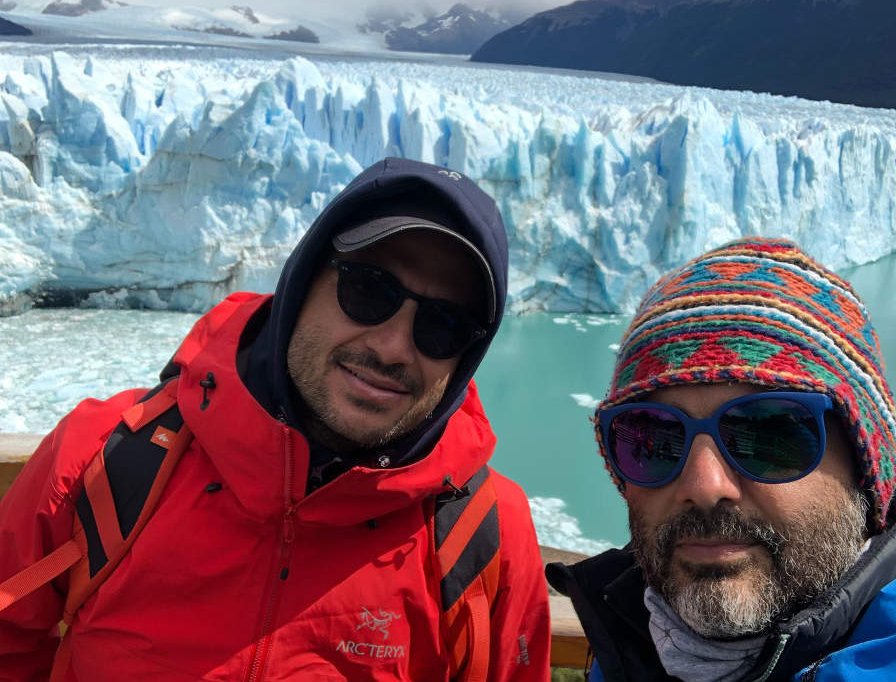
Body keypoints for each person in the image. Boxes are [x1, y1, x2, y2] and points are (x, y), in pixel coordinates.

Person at [0, 157, 551, 681]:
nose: (392, 348)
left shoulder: (484, 537)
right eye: (368, 291)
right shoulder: (106, 457)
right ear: (303, 278)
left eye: (444, 326)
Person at [547, 237, 896, 681]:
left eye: (769, 434)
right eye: (652, 436)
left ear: (866, 470)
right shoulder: (632, 626)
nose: (703, 486)